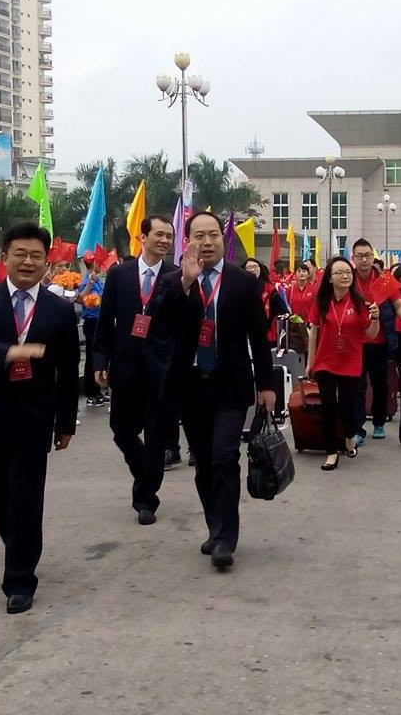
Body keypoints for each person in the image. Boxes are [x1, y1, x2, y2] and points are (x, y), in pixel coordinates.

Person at [0, 222, 80, 614]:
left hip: (35, 417)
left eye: (36, 256)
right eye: (20, 254)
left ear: (47, 262)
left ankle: (20, 580)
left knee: (27, 497)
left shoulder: (60, 309)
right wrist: (11, 352)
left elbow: (66, 369)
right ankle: (21, 541)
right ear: (5, 256)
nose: (28, 262)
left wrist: (66, 423)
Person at [163, 211, 275, 571]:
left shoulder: (243, 282)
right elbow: (162, 321)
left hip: (231, 385)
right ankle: (215, 526)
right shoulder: (174, 281)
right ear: (188, 241)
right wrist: (185, 283)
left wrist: (267, 385)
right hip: (191, 385)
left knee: (225, 456)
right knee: (204, 463)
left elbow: (259, 336)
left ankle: (227, 538)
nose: (206, 242)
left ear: (222, 240)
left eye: (213, 235)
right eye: (199, 236)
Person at [93, 214, 184, 525]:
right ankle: (144, 468)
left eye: (169, 236)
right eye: (158, 234)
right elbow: (105, 320)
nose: (164, 240)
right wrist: (99, 361)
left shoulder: (177, 275)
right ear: (142, 238)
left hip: (163, 370)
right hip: (125, 366)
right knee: (121, 430)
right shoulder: (120, 274)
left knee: (157, 436)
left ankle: (146, 499)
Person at [306, 257, 380, 470]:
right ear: (329, 278)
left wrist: (375, 319)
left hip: (350, 361)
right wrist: (310, 362)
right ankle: (331, 452)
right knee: (329, 406)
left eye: (348, 272)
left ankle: (349, 436)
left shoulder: (360, 303)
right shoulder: (321, 302)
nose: (345, 275)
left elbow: (371, 334)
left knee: (348, 406)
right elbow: (313, 333)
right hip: (325, 362)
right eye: (339, 272)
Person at [349, 238, 401, 442]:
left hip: (381, 342)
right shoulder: (348, 279)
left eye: (367, 255)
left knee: (380, 384)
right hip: (355, 343)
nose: (364, 260)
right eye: (360, 256)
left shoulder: (385, 280)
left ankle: (378, 423)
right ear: (353, 258)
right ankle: (358, 429)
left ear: (372, 256)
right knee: (356, 385)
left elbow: (398, 304)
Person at [78, 252, 106, 407]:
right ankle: (90, 393)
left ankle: (97, 391)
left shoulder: (99, 280)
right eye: (98, 262)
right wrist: (89, 285)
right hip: (91, 321)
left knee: (98, 356)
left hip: (100, 320)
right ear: (93, 263)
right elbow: (82, 299)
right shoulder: (86, 281)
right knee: (91, 357)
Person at [243, 257, 290, 346]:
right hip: (246, 332)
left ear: (260, 269)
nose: (252, 269)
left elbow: (281, 307)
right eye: (249, 268)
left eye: (255, 266)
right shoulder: (239, 287)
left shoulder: (269, 288)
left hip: (267, 332)